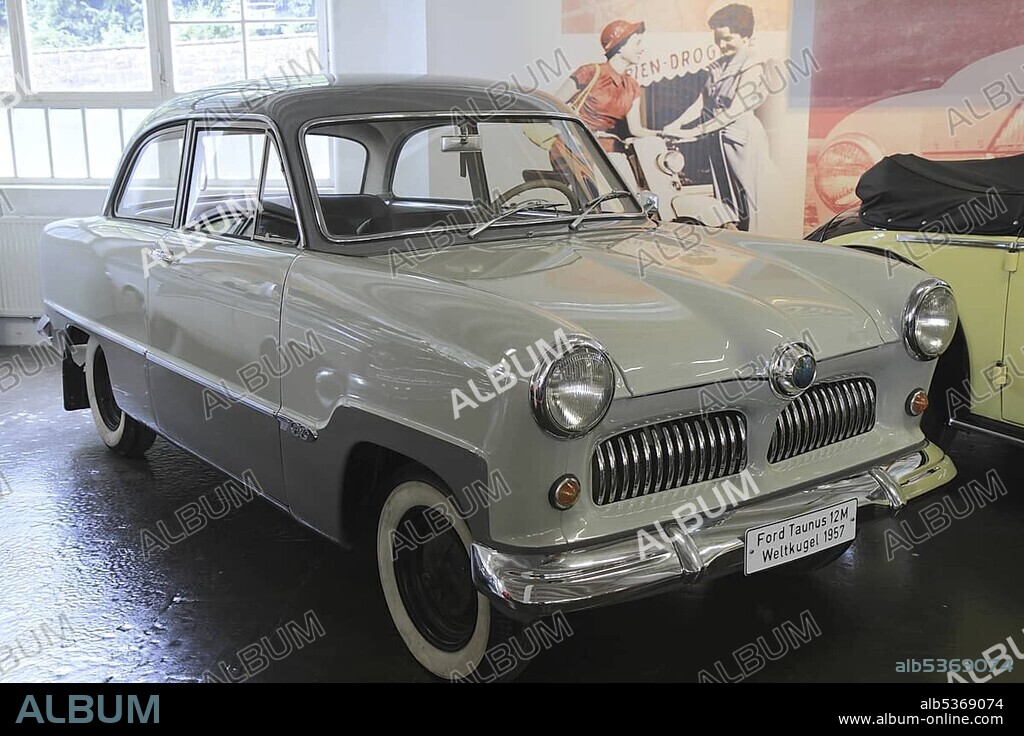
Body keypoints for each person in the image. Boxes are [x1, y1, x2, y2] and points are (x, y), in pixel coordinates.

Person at [662, 4, 775, 231]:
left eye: (728, 39)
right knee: (727, 200)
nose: (722, 45)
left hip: (743, 141)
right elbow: (701, 104)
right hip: (719, 141)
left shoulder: (754, 66)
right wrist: (675, 125)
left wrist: (695, 131)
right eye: (718, 39)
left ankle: (755, 242)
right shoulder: (719, 67)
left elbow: (734, 110)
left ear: (745, 36)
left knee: (749, 200)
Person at [555, 19, 660, 189]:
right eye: (637, 43)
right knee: (593, 198)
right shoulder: (590, 72)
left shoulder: (632, 86)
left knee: (628, 195)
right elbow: (555, 105)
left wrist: (664, 134)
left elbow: (636, 129)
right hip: (573, 147)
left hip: (607, 152)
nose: (642, 49)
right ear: (620, 46)